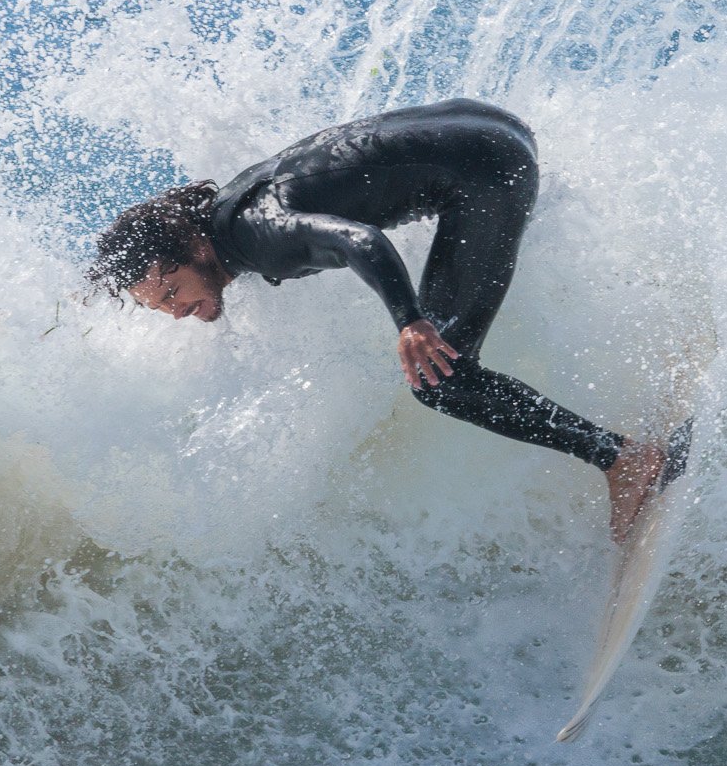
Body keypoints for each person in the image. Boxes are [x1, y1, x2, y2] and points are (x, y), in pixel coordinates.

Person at [86, 98, 672, 540]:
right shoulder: (229, 210)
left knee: (443, 381)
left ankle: (623, 458)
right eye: (159, 307)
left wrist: (410, 320)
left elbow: (360, 240)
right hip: (491, 126)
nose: (178, 310)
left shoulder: (255, 237)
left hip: (488, 171)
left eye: (172, 290)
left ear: (193, 248)